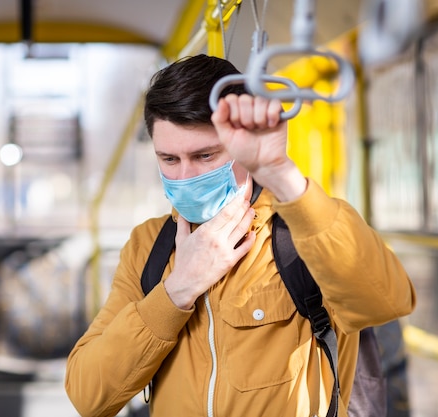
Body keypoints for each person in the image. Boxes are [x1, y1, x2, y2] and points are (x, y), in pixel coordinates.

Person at [65, 54, 416, 417]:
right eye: (169, 159)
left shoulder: (305, 231)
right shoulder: (148, 245)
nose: (184, 177)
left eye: (204, 156)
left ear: (242, 148)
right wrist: (178, 289)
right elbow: (88, 396)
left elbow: (387, 301)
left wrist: (280, 173)